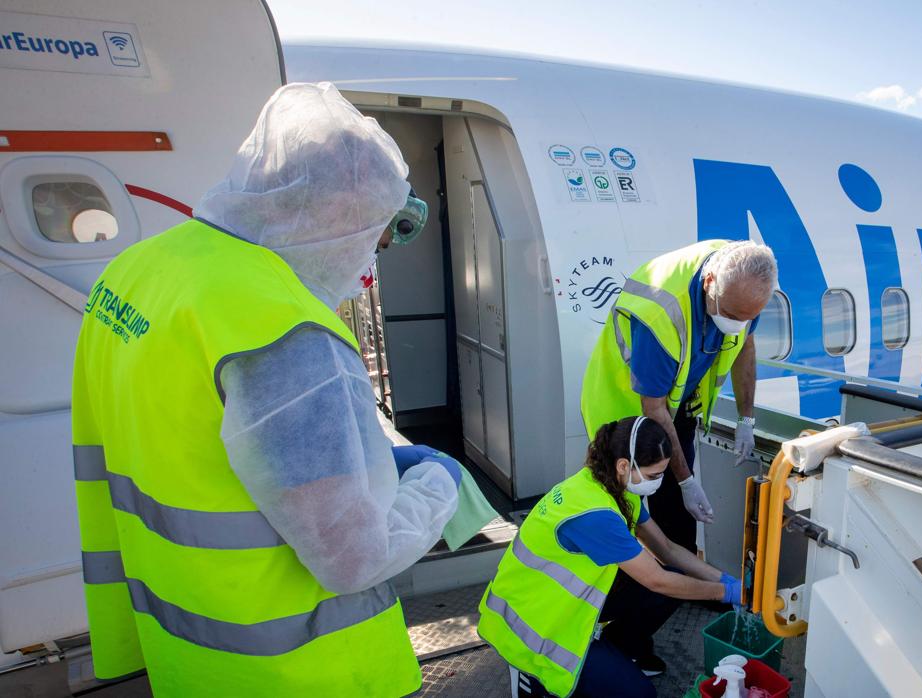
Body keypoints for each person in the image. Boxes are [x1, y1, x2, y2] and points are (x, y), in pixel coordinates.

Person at [70, 82, 458, 696]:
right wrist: (438, 484)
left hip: (185, 645)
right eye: (370, 237)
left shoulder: (138, 270)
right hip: (303, 668)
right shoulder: (288, 334)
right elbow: (353, 559)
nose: (366, 265)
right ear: (337, 217)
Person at [478, 417, 743, 698]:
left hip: (563, 603)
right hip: (536, 626)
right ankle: (529, 675)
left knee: (673, 584)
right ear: (624, 466)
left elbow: (666, 548)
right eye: (654, 476)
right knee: (640, 695)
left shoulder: (613, 487)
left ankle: (618, 651)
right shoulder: (595, 514)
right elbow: (657, 580)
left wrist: (723, 578)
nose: (659, 483)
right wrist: (722, 592)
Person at [581, 240, 778, 553]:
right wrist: (687, 481)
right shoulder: (661, 315)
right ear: (709, 282)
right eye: (729, 314)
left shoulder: (744, 281)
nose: (735, 325)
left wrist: (746, 419)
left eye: (745, 319)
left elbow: (745, 347)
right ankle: (627, 585)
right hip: (623, 410)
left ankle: (683, 583)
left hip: (676, 405)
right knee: (623, 503)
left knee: (675, 507)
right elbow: (653, 408)